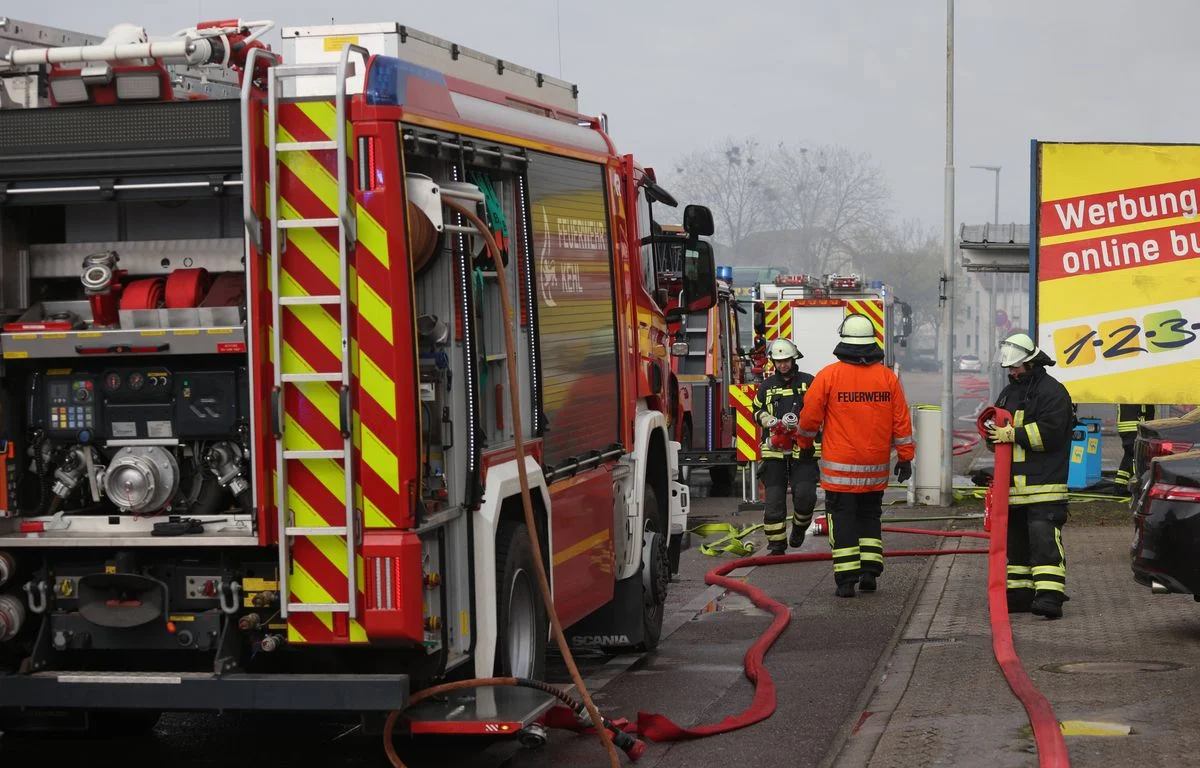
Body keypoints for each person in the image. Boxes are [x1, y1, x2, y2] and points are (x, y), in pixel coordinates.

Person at [795, 314, 914, 597]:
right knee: (870, 517)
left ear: (844, 342)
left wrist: (804, 446)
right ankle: (870, 571)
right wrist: (906, 457)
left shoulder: (828, 376)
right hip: (875, 469)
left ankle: (846, 580)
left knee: (844, 520)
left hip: (840, 473)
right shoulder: (887, 378)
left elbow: (809, 418)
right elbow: (902, 421)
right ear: (872, 343)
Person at [986, 332, 1074, 620]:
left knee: (1044, 541)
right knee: (1017, 546)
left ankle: (1050, 597)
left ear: (1031, 363)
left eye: (1016, 367)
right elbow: (997, 429)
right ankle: (1021, 595)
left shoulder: (1053, 393)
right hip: (1013, 489)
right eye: (1009, 368)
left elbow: (1051, 433)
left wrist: (1014, 434)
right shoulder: (1009, 393)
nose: (1011, 372)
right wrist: (992, 433)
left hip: (1045, 486)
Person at [751, 338, 819, 555]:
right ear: (773, 362)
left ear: (793, 359)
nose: (783, 365)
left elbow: (821, 409)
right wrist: (769, 420)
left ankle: (799, 528)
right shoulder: (766, 386)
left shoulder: (809, 382)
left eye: (786, 360)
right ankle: (777, 544)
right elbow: (756, 410)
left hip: (804, 448)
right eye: (778, 361)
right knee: (774, 500)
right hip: (775, 449)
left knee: (806, 495)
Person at [1116, 404, 1155, 487]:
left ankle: (1120, 485)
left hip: (1126, 427)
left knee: (1129, 456)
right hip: (1135, 426)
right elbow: (1146, 410)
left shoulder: (1128, 394)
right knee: (1137, 457)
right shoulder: (1140, 394)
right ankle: (1137, 485)